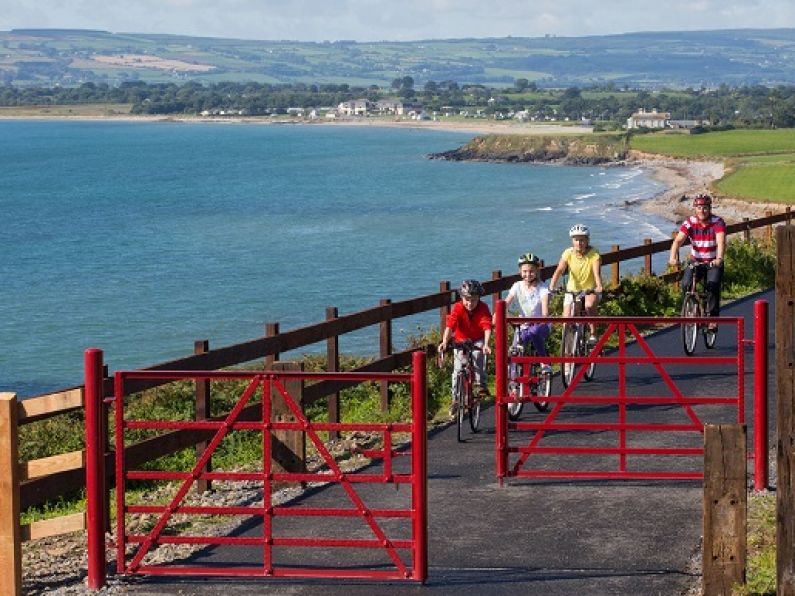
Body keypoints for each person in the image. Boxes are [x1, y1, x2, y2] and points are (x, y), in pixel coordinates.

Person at [668, 193, 726, 325]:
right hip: (696, 261)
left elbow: (721, 242)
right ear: (694, 209)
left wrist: (719, 258)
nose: (702, 211)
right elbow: (677, 241)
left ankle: (712, 320)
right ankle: (690, 309)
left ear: (710, 209)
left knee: (712, 287)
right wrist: (673, 258)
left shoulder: (718, 222)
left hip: (713, 262)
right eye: (699, 208)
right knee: (686, 284)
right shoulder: (689, 223)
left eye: (705, 207)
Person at [438, 279, 492, 415]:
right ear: (461, 297)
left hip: (478, 339)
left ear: (479, 298)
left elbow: (486, 326)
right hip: (461, 340)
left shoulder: (483, 308)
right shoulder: (457, 307)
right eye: (467, 299)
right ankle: (455, 400)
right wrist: (445, 342)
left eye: (474, 300)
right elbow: (450, 326)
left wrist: (486, 344)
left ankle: (481, 385)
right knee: (457, 370)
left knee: (478, 355)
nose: (470, 303)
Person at [549, 223, 604, 344]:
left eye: (582, 240)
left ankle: (593, 334)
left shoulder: (594, 253)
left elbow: (596, 272)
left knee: (589, 306)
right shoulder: (568, 253)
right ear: (572, 241)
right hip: (572, 290)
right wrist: (552, 285)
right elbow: (559, 270)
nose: (579, 243)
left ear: (587, 240)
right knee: (566, 319)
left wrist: (599, 286)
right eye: (576, 240)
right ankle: (570, 347)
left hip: (590, 289)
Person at [503, 252, 552, 373]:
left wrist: (541, 319)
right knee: (515, 350)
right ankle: (513, 382)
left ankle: (545, 363)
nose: (528, 274)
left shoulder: (543, 288)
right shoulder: (517, 286)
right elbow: (506, 302)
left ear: (537, 271)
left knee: (534, 332)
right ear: (520, 271)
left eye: (531, 271)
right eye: (524, 271)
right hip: (523, 325)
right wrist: (498, 314)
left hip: (541, 325)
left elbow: (545, 311)